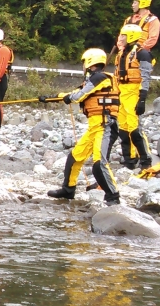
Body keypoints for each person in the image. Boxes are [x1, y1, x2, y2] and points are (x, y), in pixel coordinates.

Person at [43, 48, 121, 205]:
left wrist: (68, 98)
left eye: (84, 63)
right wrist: (50, 98)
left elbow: (78, 96)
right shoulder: (93, 80)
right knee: (75, 157)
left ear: (90, 62)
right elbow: (75, 92)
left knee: (99, 165)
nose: (83, 66)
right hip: (95, 126)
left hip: (105, 126)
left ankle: (113, 197)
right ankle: (68, 190)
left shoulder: (100, 77)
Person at [113, 23, 153, 169]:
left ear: (130, 36)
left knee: (135, 129)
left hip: (134, 93)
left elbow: (146, 76)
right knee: (123, 129)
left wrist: (142, 99)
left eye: (123, 35)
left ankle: (145, 161)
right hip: (123, 93)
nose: (120, 38)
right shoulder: (122, 54)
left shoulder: (142, 53)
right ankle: (129, 160)